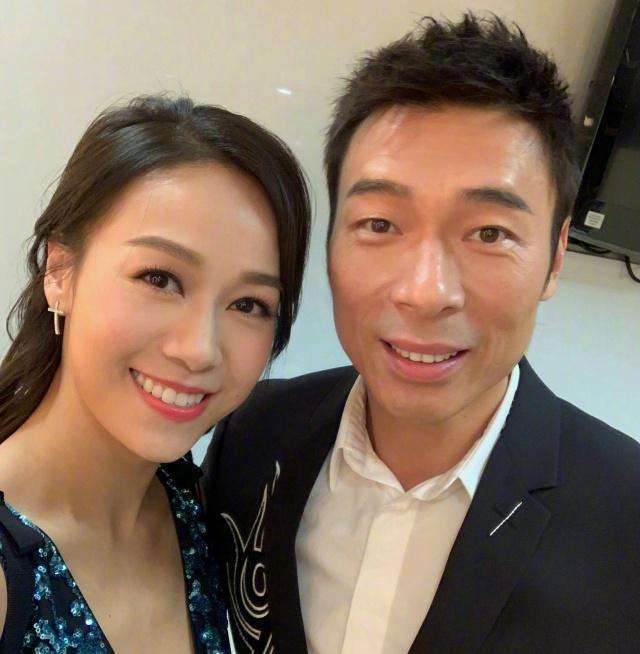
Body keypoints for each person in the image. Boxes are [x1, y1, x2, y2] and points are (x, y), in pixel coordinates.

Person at [202, 14, 640, 654]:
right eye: (380, 224)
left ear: (554, 257)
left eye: (489, 233)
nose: (426, 292)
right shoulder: (252, 432)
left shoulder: (627, 519)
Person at [0, 95, 310, 653]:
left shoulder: (200, 506)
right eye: (160, 279)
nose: (199, 351)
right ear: (59, 271)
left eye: (248, 304)